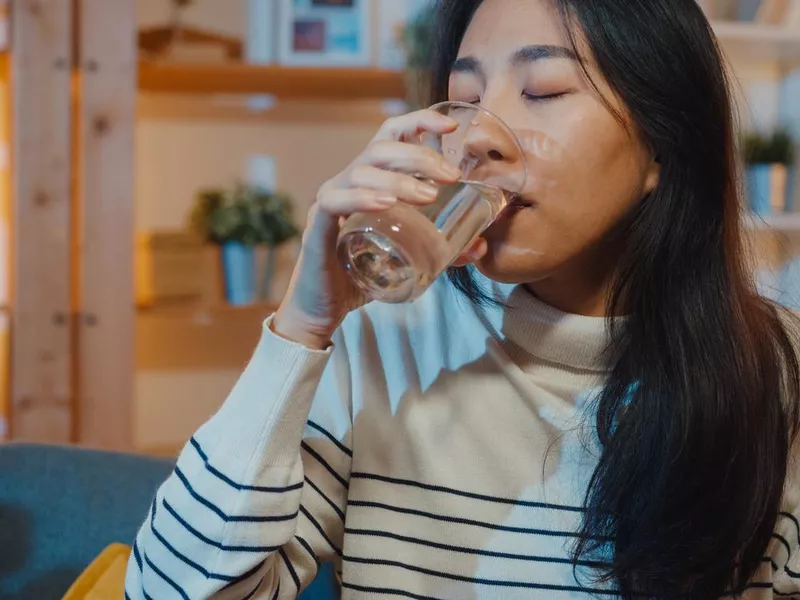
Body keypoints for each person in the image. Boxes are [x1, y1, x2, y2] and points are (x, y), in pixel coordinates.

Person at [124, 0, 800, 598]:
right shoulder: (384, 340)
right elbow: (171, 591)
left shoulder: (775, 368)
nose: (477, 136)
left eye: (543, 90)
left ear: (662, 145)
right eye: (464, 97)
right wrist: (303, 327)